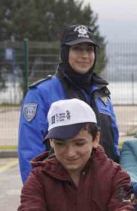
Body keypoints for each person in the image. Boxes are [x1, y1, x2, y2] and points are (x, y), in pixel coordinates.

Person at [18, 24, 120, 182]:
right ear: (65, 52)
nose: (85, 55)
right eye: (78, 49)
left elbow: (112, 144)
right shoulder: (41, 93)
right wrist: (37, 196)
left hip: (103, 189)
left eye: (89, 49)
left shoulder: (101, 93)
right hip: (61, 192)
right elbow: (30, 152)